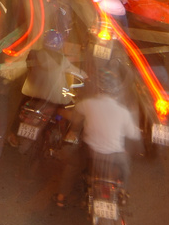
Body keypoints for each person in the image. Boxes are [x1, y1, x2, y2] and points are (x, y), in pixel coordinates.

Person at [58, 69, 141, 207]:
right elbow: (134, 134)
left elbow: (75, 119)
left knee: (73, 165)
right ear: (116, 90)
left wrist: (72, 128)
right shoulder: (123, 112)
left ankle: (61, 197)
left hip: (91, 153)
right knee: (125, 167)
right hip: (115, 156)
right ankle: (123, 192)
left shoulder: (88, 104)